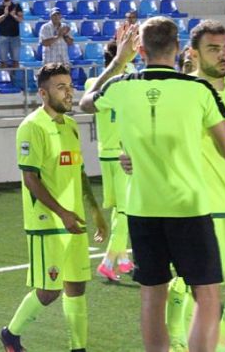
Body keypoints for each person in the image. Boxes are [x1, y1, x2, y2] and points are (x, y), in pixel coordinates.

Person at [79, 17, 225, 352]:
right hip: (188, 207)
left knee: (153, 295)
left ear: (140, 49)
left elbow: (86, 101)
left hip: (142, 208)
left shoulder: (121, 86)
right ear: (178, 47)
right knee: (206, 294)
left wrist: (118, 62)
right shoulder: (199, 90)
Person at [162, 20, 225, 352]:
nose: (223, 55)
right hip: (204, 211)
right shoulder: (182, 94)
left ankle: (220, 344)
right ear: (192, 53)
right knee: (203, 290)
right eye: (213, 48)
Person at [0, 62, 107, 352]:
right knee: (49, 291)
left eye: (70, 86)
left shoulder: (71, 125)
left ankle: (78, 347)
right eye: (61, 87)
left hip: (74, 219)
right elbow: (30, 179)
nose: (69, 92)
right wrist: (62, 213)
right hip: (47, 221)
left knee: (77, 285)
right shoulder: (32, 127)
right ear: (43, 93)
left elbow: (80, 172)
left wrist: (95, 211)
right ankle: (10, 334)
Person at [83, 40, 133, 283]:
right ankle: (108, 262)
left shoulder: (92, 84)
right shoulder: (129, 82)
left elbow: (88, 99)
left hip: (104, 154)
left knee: (118, 209)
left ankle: (123, 259)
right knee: (126, 212)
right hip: (123, 155)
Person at [0, 0, 22, 69]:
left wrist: (13, 15)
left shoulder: (17, 6)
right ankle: (5, 80)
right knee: (3, 62)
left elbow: (20, 20)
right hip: (2, 36)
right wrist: (4, 15)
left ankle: (16, 80)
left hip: (15, 36)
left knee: (16, 61)